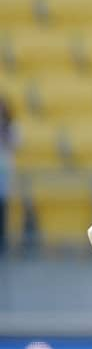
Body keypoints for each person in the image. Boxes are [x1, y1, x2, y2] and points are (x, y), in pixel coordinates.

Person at [0, 96, 17, 255]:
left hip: (4, 172)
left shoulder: (10, 127)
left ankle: (3, 243)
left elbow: (14, 143)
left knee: (3, 210)